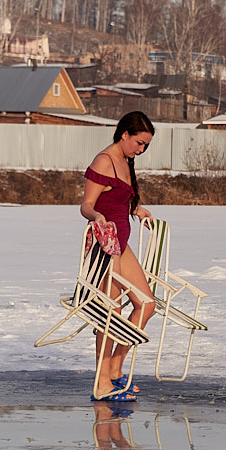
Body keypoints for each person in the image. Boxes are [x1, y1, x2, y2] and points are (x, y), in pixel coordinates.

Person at [80, 111, 156, 401]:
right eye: (139, 143)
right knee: (110, 314)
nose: (141, 149)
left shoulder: (126, 161)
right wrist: (97, 215)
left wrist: (136, 209)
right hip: (105, 247)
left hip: (122, 246)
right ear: (125, 134)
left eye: (145, 145)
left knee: (146, 304)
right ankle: (101, 383)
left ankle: (114, 368)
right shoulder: (104, 160)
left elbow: (120, 198)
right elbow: (87, 204)